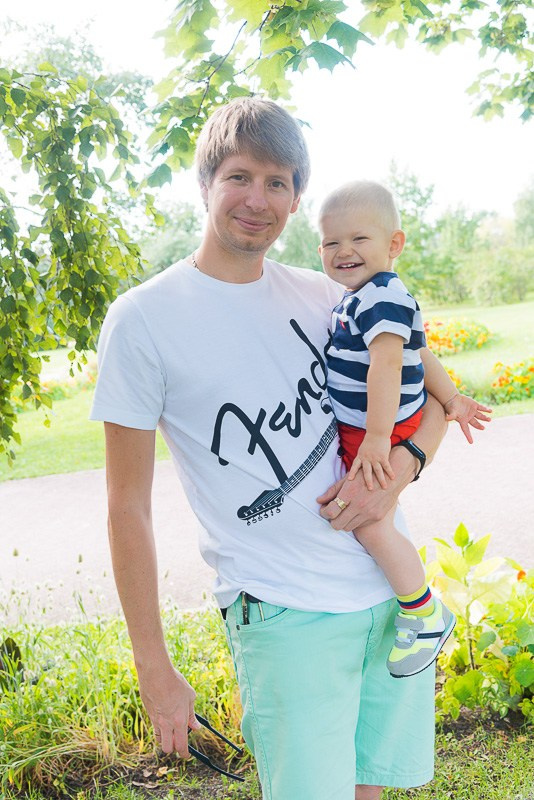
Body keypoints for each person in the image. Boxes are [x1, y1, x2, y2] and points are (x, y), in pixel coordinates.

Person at [90, 97, 451, 800]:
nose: (259, 199)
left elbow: (435, 399)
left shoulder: (327, 293)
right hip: (286, 613)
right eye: (240, 176)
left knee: (373, 790)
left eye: (280, 182)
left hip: (391, 598)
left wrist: (400, 472)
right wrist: (152, 664)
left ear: (296, 201)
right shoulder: (143, 320)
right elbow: (125, 506)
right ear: (205, 184)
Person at [318, 180, 491, 679]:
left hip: (381, 430)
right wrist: (452, 398)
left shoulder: (381, 296)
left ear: (394, 244)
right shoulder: (364, 296)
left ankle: (423, 611)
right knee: (375, 519)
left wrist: (375, 438)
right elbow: (420, 351)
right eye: (331, 243)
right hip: (374, 428)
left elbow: (390, 364)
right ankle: (412, 606)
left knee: (371, 522)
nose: (344, 251)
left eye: (359, 239)